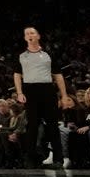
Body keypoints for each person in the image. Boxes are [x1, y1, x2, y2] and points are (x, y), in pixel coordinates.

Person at [13, 26, 67, 167]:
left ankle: (58, 158)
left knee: (52, 125)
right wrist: (19, 92)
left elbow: (58, 75)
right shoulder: (21, 55)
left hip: (47, 89)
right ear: (25, 38)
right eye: (27, 34)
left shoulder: (49, 53)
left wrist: (64, 95)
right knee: (32, 126)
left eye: (32, 33)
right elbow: (17, 75)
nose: (29, 35)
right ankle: (30, 158)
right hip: (30, 90)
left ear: (38, 36)